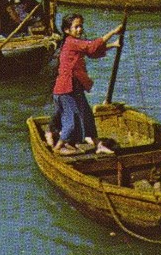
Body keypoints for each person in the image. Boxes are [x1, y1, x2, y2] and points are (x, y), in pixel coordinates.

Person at [47, 14, 123, 155]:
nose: (80, 29)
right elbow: (92, 47)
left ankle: (98, 144)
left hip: (75, 87)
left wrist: (113, 45)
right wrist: (112, 32)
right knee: (72, 119)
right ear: (67, 30)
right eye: (76, 26)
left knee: (87, 116)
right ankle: (58, 148)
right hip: (65, 89)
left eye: (81, 25)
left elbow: (92, 52)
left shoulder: (75, 43)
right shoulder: (71, 42)